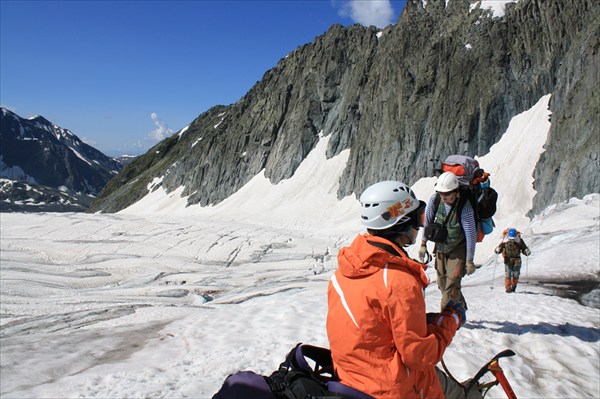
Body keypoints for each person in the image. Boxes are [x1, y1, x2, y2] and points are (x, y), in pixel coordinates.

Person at [327, 180, 481, 399]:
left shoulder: (342, 273)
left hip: (351, 379)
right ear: (402, 222)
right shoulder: (399, 282)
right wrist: (452, 319)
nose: (419, 227)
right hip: (391, 388)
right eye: (417, 218)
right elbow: (419, 356)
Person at [419, 172, 478, 310]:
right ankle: (460, 305)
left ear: (455, 192)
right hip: (440, 248)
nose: (443, 197)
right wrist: (423, 244)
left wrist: (469, 260)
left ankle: (444, 320)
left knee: (451, 285)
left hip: (458, 250)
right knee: (441, 283)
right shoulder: (435, 200)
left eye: (447, 193)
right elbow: (427, 222)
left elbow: (471, 235)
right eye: (441, 193)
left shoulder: (465, 207)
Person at [495, 228, 531, 293]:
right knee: (508, 274)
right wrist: (497, 250)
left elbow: (524, 248)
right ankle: (508, 288)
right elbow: (500, 247)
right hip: (508, 259)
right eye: (511, 238)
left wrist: (526, 251)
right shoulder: (505, 241)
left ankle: (514, 286)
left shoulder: (519, 241)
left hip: (517, 260)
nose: (512, 240)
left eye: (513, 238)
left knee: (516, 274)